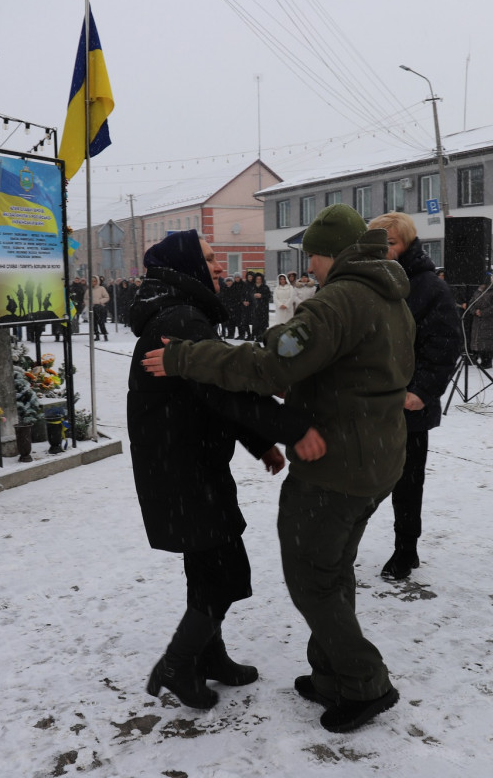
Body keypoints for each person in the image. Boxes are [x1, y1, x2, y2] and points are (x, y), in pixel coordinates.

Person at [141, 203, 414, 733]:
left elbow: (270, 363)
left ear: (328, 253)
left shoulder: (339, 301)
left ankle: (365, 682)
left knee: (313, 580)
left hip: (338, 467)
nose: (308, 268)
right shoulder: (388, 294)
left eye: (311, 256)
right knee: (333, 572)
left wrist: (186, 358)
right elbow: (355, 371)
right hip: (377, 459)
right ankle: (332, 673)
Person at [129, 229, 325, 710]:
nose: (221, 267)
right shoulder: (181, 319)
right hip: (185, 469)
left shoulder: (180, 313)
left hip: (182, 465)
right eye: (212, 259)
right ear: (186, 268)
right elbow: (225, 390)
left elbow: (208, 395)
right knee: (222, 570)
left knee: (207, 565)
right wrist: (291, 429)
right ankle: (177, 664)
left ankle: (208, 657)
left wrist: (259, 443)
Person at [368, 212, 459, 581]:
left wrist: (421, 391)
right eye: (377, 243)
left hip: (408, 405)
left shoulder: (428, 287)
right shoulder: (368, 281)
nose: (383, 250)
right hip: (372, 402)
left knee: (407, 481)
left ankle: (406, 549)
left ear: (407, 243)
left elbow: (445, 342)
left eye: (390, 243)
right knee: (370, 477)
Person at [463, 276, 493, 368]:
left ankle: (487, 361)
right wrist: (474, 311)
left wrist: (483, 312)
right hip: (477, 320)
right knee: (478, 340)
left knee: (487, 341)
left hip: (489, 321)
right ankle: (478, 358)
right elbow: (471, 302)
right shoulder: (478, 290)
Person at [248, 272, 272, 340]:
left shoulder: (265, 287)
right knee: (255, 323)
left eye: (260, 279)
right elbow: (249, 296)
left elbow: (269, 296)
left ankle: (262, 336)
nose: (258, 280)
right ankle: (255, 335)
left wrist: (261, 296)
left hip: (263, 308)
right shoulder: (252, 287)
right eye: (257, 279)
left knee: (263, 323)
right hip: (254, 308)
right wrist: (253, 296)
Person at [87, 276, 110, 340]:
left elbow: (107, 297)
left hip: (100, 307)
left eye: (95, 281)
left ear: (97, 281)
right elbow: (85, 298)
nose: (93, 282)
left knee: (101, 322)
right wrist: (88, 303)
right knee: (93, 323)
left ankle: (105, 334)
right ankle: (97, 335)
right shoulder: (89, 289)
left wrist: (100, 301)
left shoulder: (101, 288)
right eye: (92, 281)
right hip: (92, 307)